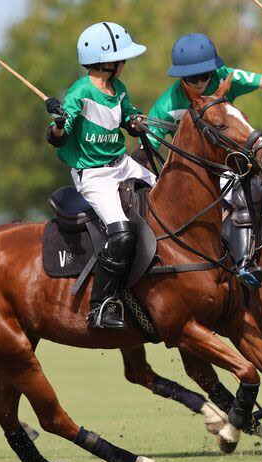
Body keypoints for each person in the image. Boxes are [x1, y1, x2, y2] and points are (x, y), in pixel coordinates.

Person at [143, 33, 262, 288]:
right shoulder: (167, 105)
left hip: (225, 160)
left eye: (206, 74)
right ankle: (238, 264)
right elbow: (145, 150)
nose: (203, 82)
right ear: (181, 77)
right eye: (194, 78)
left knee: (261, 186)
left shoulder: (224, 77)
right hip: (193, 174)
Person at [45, 22, 155, 329]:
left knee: (166, 196)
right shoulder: (79, 92)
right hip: (93, 176)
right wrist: (58, 121)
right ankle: (101, 305)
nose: (125, 64)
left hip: (122, 164)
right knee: (120, 233)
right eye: (122, 59)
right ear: (106, 61)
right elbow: (57, 137)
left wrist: (135, 121)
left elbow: (127, 114)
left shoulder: (118, 89)